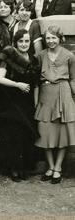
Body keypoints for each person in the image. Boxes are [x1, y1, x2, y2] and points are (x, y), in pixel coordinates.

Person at [0, 29, 40, 181]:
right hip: (11, 101)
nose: (24, 44)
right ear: (15, 42)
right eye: (21, 41)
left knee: (25, 135)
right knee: (13, 136)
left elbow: (35, 85)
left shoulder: (34, 60)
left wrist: (35, 105)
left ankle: (23, 168)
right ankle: (13, 168)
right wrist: (17, 84)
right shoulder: (9, 56)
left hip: (27, 102)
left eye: (27, 41)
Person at [35, 25, 75, 184]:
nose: (51, 41)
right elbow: (36, 79)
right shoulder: (41, 55)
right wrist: (36, 101)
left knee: (63, 134)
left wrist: (73, 97)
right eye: (48, 38)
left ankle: (57, 168)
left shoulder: (69, 56)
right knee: (45, 133)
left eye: (54, 38)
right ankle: (50, 167)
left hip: (63, 94)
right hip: (46, 95)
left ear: (60, 38)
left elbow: (73, 78)